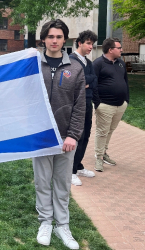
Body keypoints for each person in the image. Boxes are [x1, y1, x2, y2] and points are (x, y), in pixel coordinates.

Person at [33, 19, 85, 249]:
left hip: (66, 137)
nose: (54, 41)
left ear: (65, 40)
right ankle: (45, 221)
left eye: (59, 37)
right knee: (42, 182)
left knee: (62, 183)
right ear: (43, 39)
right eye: (50, 36)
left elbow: (80, 104)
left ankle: (62, 224)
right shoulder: (32, 65)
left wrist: (73, 135)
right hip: (41, 137)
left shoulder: (75, 68)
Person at [92, 38, 129, 172]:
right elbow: (93, 85)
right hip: (105, 105)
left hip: (120, 105)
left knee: (110, 131)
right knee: (102, 132)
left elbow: (125, 81)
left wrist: (127, 100)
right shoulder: (98, 64)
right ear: (110, 50)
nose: (121, 50)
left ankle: (104, 152)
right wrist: (97, 104)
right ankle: (99, 157)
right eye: (119, 48)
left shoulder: (120, 63)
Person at [69, 30, 98, 186]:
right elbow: (76, 82)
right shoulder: (71, 61)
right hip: (76, 105)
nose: (90, 46)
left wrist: (87, 82)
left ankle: (78, 165)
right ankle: (71, 171)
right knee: (77, 137)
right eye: (88, 43)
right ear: (79, 43)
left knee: (86, 136)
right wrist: (85, 82)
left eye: (92, 44)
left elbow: (93, 81)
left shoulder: (89, 63)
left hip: (88, 103)